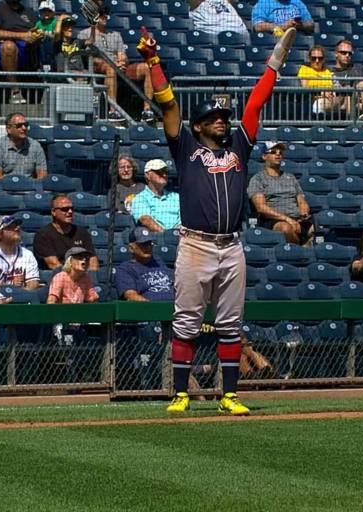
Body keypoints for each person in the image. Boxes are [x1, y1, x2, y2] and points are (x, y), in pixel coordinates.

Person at [136, 23, 297, 414]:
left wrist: (274, 64)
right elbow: (169, 106)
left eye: (223, 116)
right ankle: (180, 393)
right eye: (213, 117)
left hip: (231, 245)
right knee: (186, 321)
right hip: (195, 243)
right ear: (199, 125)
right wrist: (154, 62)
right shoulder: (186, 148)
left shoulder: (240, 146)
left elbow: (255, 105)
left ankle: (229, 395)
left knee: (230, 323)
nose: (222, 120)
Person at [77, 6, 155, 122]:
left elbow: (122, 55)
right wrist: (113, 64)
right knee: (110, 68)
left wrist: (122, 62)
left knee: (147, 67)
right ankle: (113, 111)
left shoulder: (115, 34)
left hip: (118, 67)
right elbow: (90, 58)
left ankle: (147, 110)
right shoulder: (84, 34)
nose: (105, 17)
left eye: (106, 14)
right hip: (100, 68)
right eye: (102, 14)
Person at [247, 141, 313, 246]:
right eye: (273, 152)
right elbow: (261, 207)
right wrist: (287, 219)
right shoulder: (258, 179)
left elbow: (301, 201)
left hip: (296, 219)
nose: (278, 154)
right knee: (285, 229)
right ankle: (300, 248)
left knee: (318, 228)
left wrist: (303, 213)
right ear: (264, 156)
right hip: (274, 220)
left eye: (280, 152)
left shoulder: (290, 177)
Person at [0, 0, 43, 104]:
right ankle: (15, 91)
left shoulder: (29, 12)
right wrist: (23, 36)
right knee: (9, 46)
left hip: (28, 51)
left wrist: (36, 35)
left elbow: (38, 29)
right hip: (3, 51)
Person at [33, 194, 98, 271]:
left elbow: (93, 261)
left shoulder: (82, 232)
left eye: (72, 208)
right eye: (65, 209)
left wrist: (88, 275)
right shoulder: (43, 235)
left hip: (82, 274)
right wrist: (74, 276)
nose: (70, 212)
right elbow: (54, 264)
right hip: (57, 276)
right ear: (53, 212)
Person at [0, 215, 40, 290]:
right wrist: (10, 284)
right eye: (10, 227)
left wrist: (17, 292)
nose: (17, 228)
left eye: (16, 226)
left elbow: (33, 284)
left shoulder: (27, 254)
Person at [114, 227, 174, 301]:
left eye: (149, 244)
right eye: (143, 244)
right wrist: (150, 305)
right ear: (131, 248)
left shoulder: (158, 261)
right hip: (149, 306)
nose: (147, 247)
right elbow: (131, 295)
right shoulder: (125, 269)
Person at [329, 40, 363, 121]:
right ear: (336, 53)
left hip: (360, 100)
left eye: (350, 53)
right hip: (343, 101)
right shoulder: (331, 72)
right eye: (343, 53)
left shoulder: (357, 68)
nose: (347, 55)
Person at [0, 113, 47, 179]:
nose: (24, 128)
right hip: (5, 185)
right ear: (9, 129)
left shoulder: (35, 146)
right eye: (19, 125)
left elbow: (42, 176)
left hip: (29, 185)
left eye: (26, 125)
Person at [130, 159, 181, 233]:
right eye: (159, 172)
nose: (164, 175)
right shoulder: (140, 198)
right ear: (147, 175)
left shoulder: (176, 197)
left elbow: (184, 220)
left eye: (166, 172)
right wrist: (166, 235)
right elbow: (145, 220)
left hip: (178, 236)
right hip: (155, 237)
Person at [296, 45, 336, 116]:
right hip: (312, 100)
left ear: (324, 59)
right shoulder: (304, 69)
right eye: (313, 58)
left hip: (329, 100)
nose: (317, 61)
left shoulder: (327, 71)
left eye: (320, 58)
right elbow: (305, 88)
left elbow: (332, 88)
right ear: (309, 58)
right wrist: (321, 93)